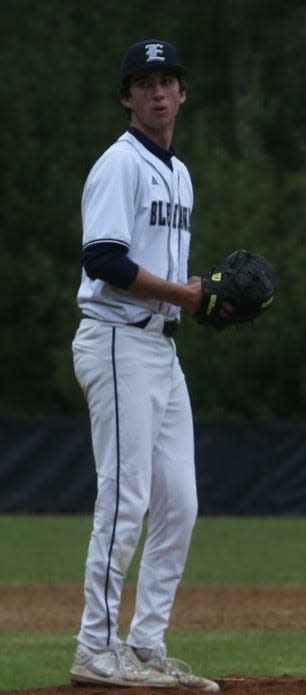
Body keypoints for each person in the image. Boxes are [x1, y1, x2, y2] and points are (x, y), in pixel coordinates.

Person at [70, 39, 222, 692]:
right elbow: (103, 260)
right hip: (116, 338)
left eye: (168, 81)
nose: (158, 92)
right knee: (126, 498)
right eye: (144, 82)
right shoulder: (119, 164)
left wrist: (199, 300)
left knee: (180, 504)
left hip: (162, 347)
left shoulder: (180, 173)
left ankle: (146, 642)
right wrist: (183, 292)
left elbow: (160, 273)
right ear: (128, 97)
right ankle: (96, 648)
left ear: (183, 93)